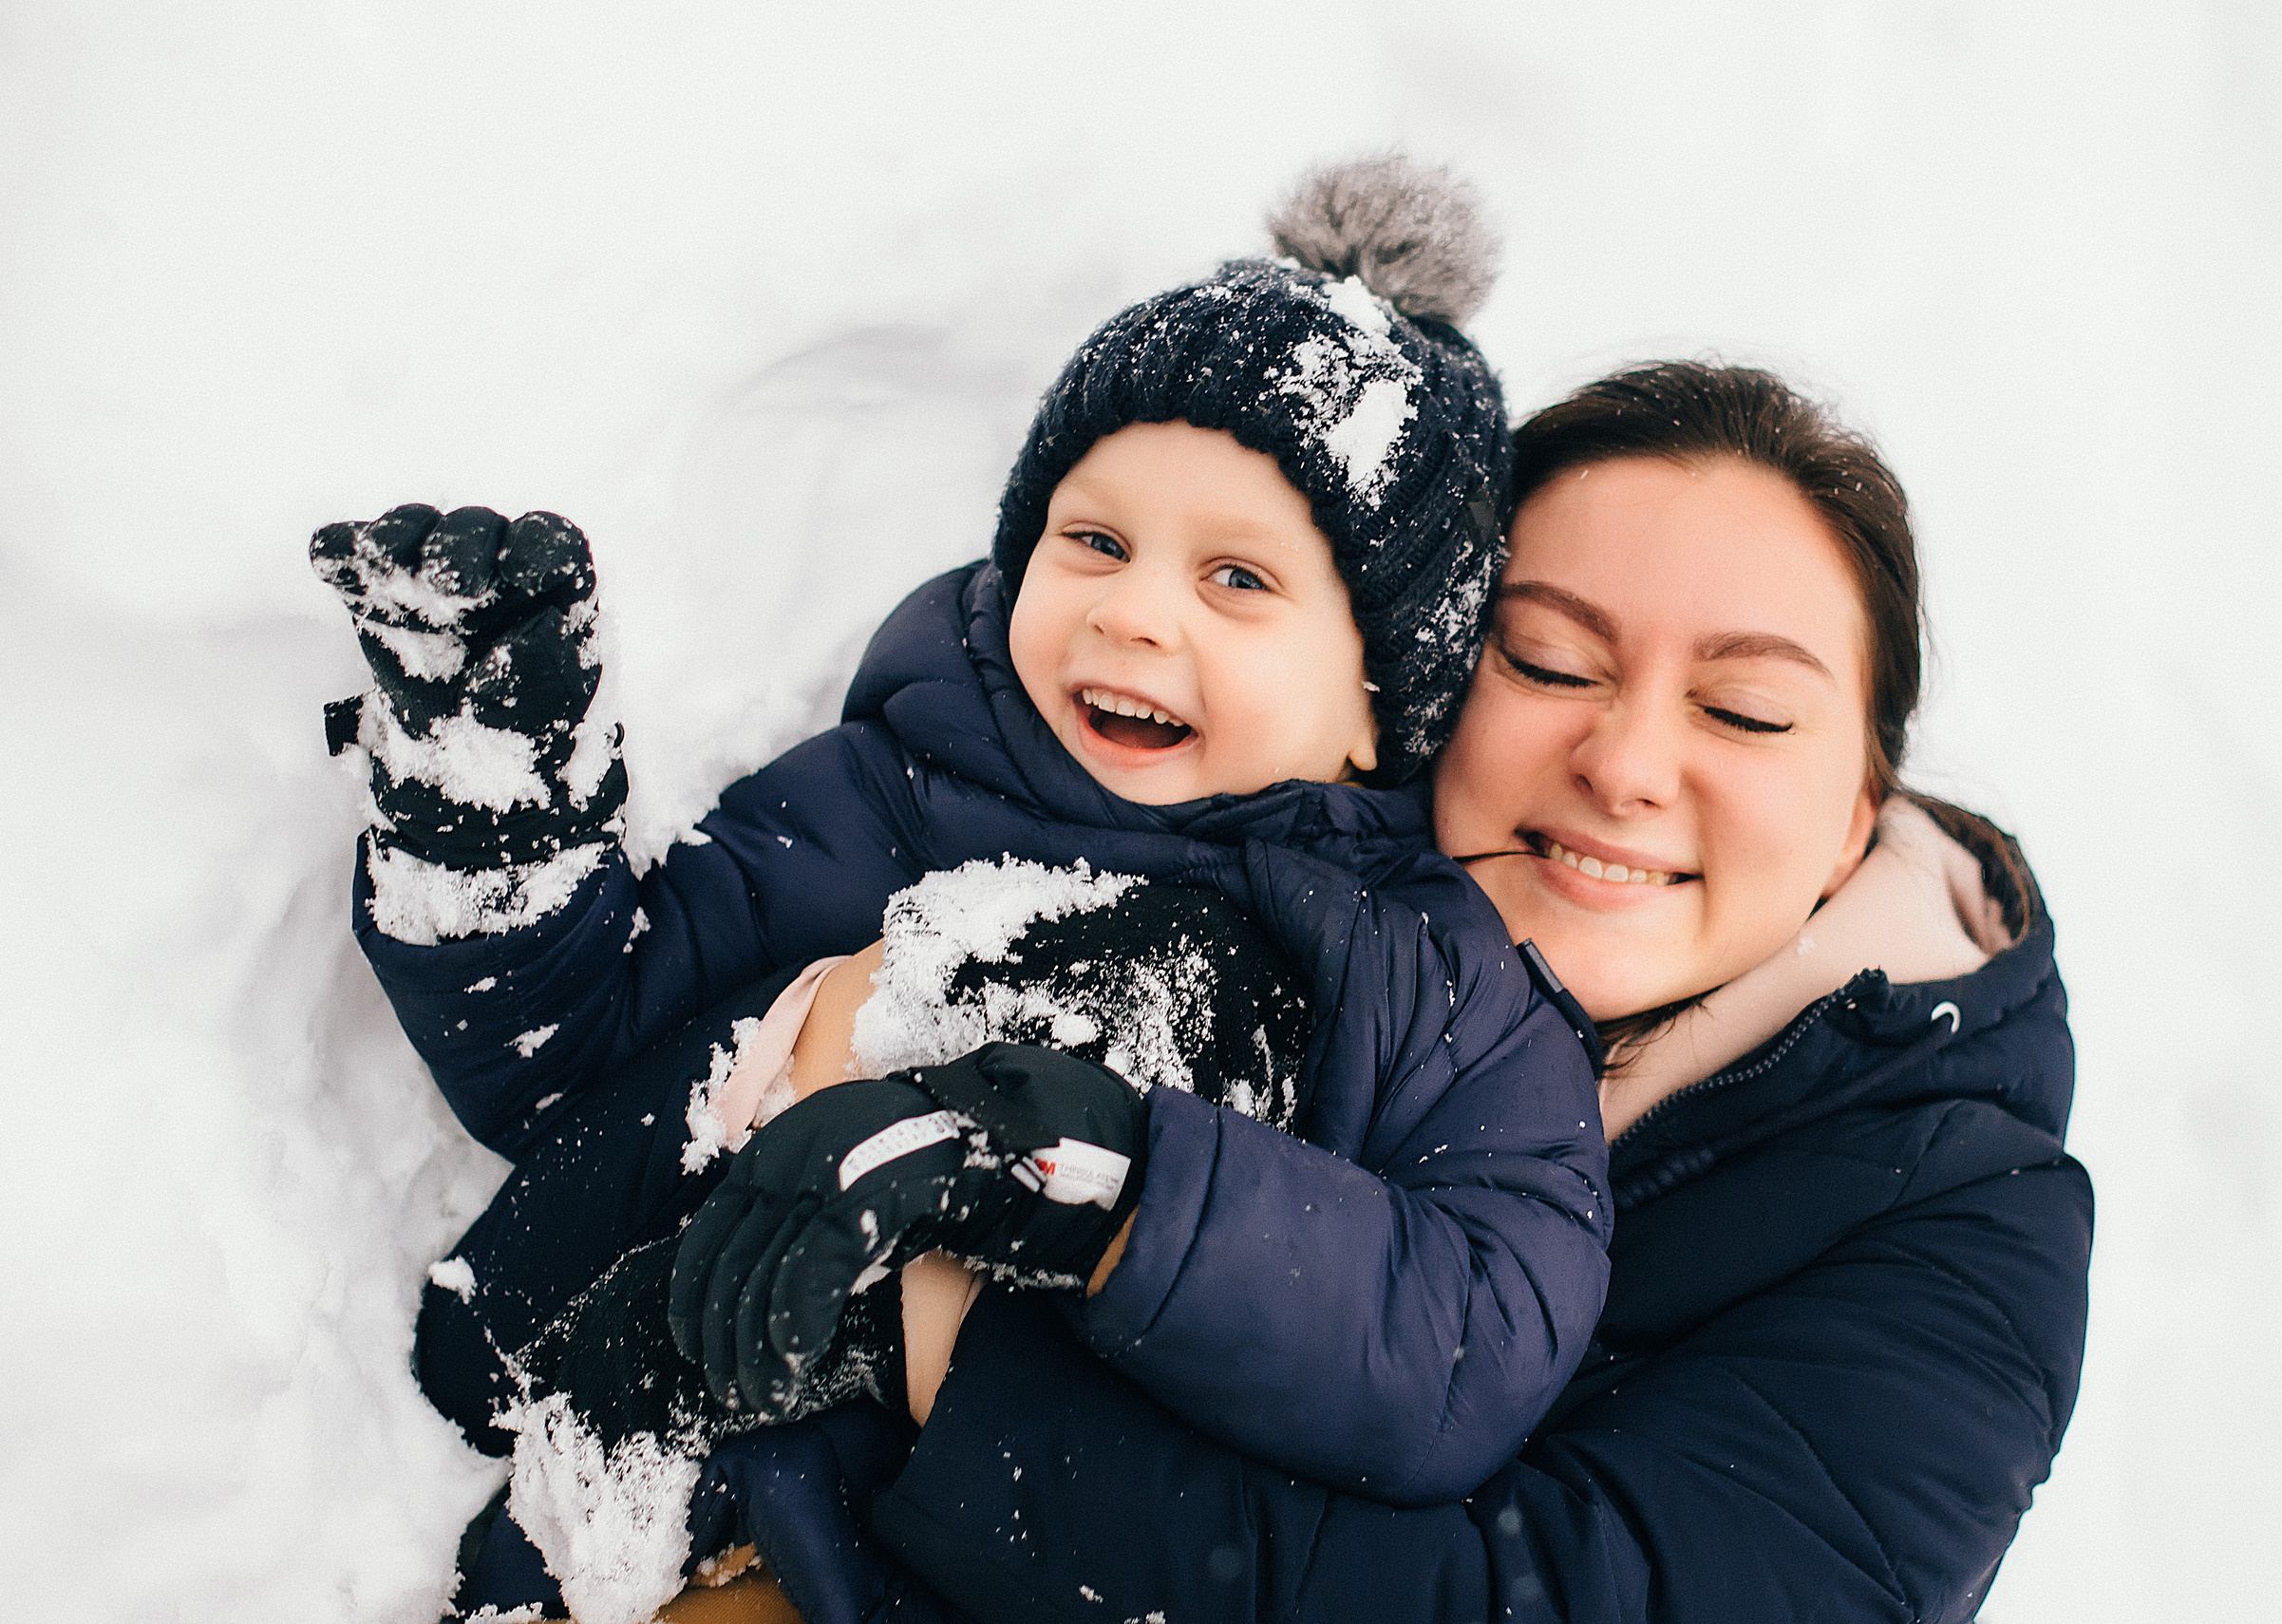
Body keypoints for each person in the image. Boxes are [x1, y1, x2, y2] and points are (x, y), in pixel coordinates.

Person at [311, 161, 1615, 1620]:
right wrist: (493, 796)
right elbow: (577, 1051)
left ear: (1383, 700)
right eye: (1096, 541)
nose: (1134, 609)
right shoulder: (893, 787)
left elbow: (1467, 1341)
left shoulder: (1420, 975)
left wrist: (1120, 1179)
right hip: (635, 1505)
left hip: (995, 1538)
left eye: (1238, 580)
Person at [852, 361, 2091, 1624]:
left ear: (1858, 821)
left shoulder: (1968, 1221)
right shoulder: (1250, 871)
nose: (1625, 766)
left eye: (1744, 710)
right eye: (1550, 662)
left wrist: (952, 1358)